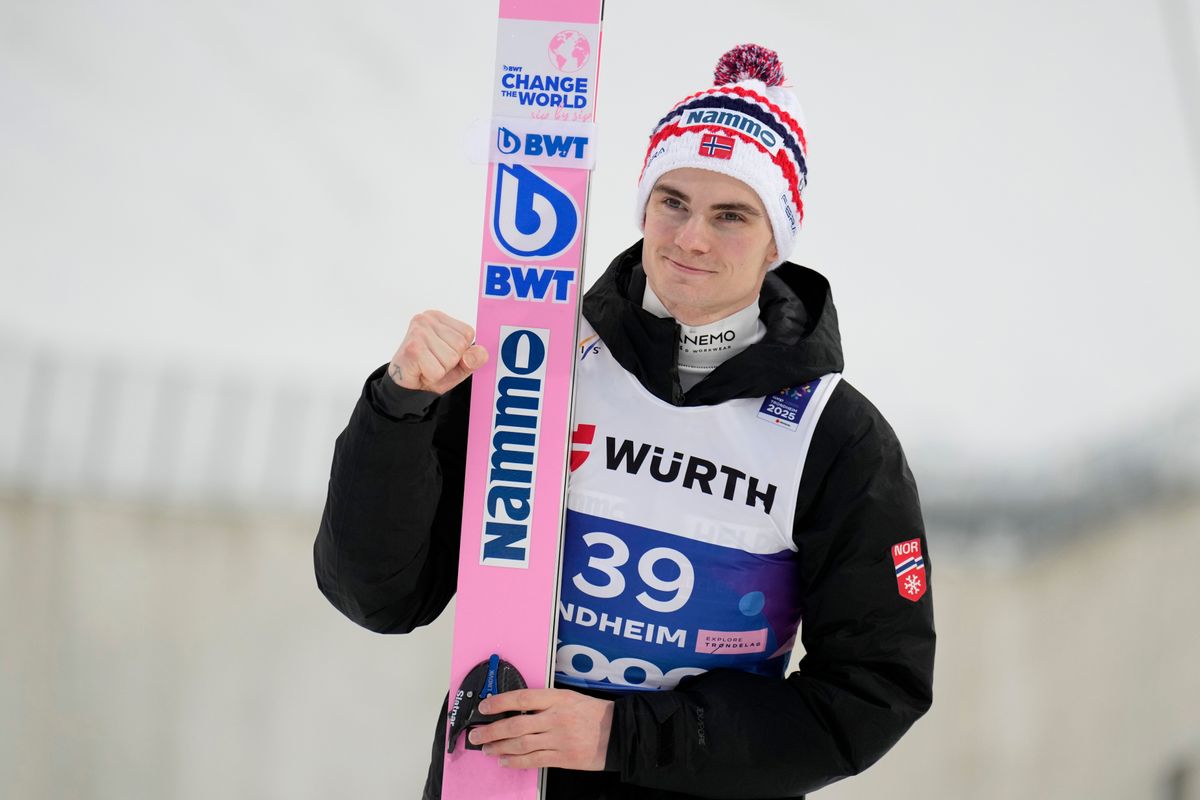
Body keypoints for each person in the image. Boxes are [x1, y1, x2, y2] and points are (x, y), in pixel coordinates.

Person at [314, 44, 935, 799]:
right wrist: (400, 409)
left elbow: (871, 694)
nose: (691, 238)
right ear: (643, 208)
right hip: (500, 781)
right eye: (672, 202)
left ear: (777, 241)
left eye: (731, 215)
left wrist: (621, 735)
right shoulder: (535, 364)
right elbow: (380, 596)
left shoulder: (835, 437)